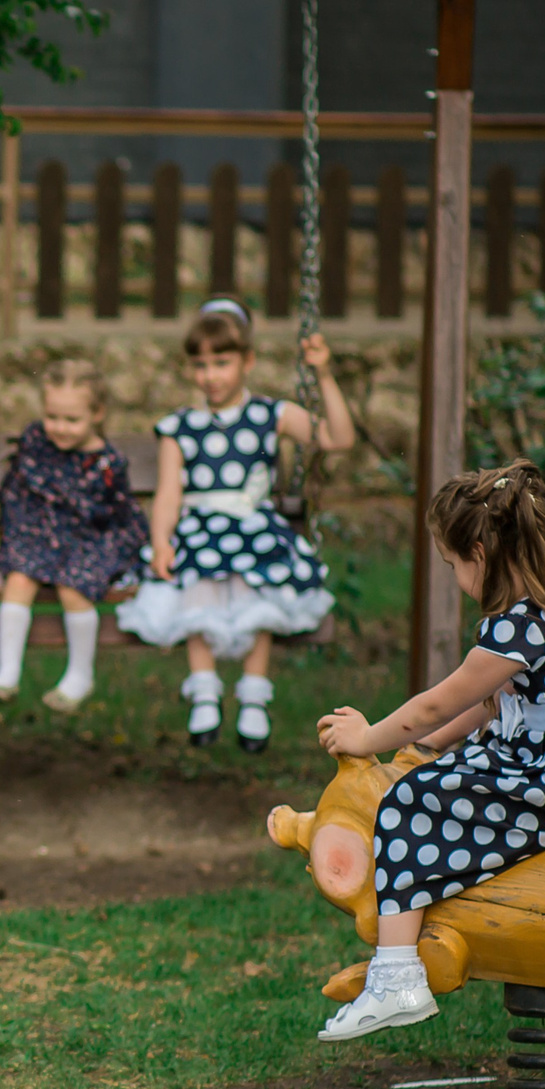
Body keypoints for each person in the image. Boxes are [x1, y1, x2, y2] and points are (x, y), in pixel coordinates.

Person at [313, 462, 545, 1041]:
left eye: (453, 566)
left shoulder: (516, 628)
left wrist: (368, 738)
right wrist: (429, 748)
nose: (455, 578)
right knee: (437, 774)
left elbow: (434, 705)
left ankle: (396, 979)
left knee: (407, 803)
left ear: (479, 550)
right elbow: (495, 702)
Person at [119, 297, 354, 750]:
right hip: (201, 525)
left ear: (247, 361)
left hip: (252, 526)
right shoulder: (179, 427)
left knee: (258, 589)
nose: (210, 375)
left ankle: (253, 698)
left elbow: (337, 438)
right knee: (197, 590)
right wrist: (162, 541)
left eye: (222, 363)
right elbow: (169, 493)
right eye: (201, 365)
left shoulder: (271, 414)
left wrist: (323, 373)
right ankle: (204, 693)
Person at [0, 358, 149, 715]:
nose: (60, 428)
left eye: (72, 420)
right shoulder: (36, 441)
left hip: (89, 537)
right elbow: (19, 493)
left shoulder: (107, 462)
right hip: (38, 530)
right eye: (52, 416)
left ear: (98, 414)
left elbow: (115, 516)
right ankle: (7, 672)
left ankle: (79, 675)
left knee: (74, 586)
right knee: (19, 577)